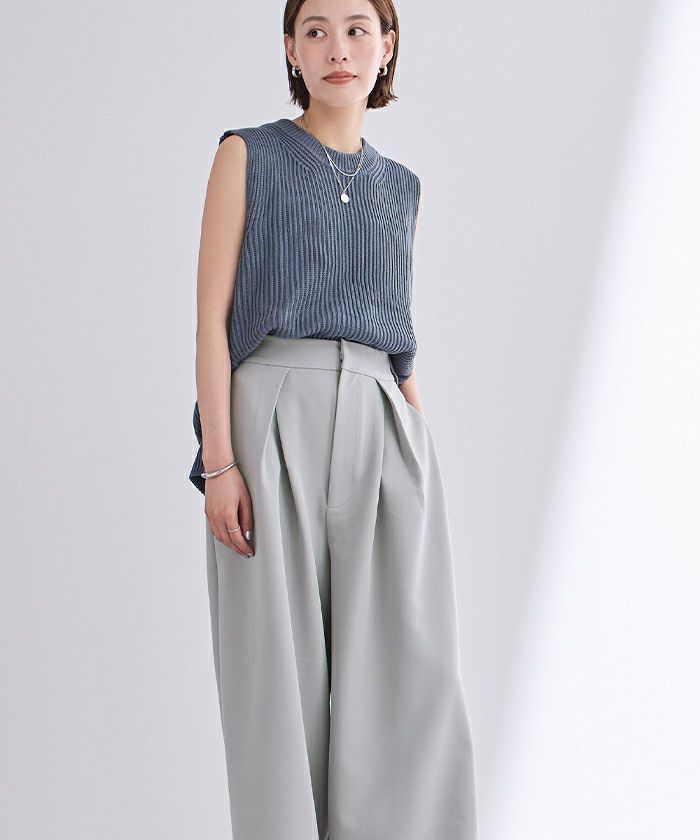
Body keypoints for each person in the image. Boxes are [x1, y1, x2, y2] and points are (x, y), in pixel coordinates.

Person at [188, 1, 479, 838]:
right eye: (315, 30)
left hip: (385, 423)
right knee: (276, 685)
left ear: (387, 47)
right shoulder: (247, 154)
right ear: (291, 49)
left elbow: (399, 336)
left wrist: (419, 448)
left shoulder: (402, 189)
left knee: (406, 676)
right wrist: (220, 461)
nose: (337, 48)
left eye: (357, 29)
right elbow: (211, 320)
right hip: (270, 414)